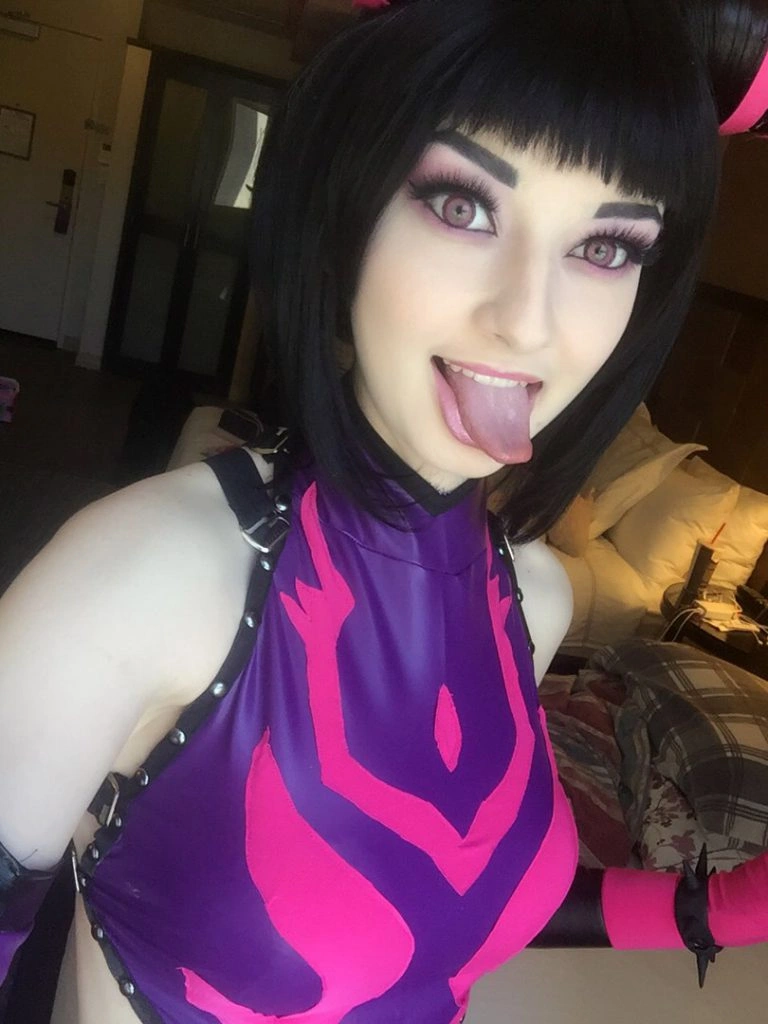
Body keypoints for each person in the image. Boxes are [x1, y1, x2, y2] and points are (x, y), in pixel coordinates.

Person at [1, 1, 768, 1022]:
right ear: (348, 205)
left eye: (607, 245)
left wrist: (721, 908)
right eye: (462, 205)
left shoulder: (533, 599)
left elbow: (439, 906)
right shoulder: (142, 573)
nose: (527, 321)